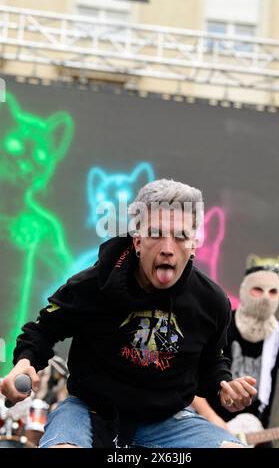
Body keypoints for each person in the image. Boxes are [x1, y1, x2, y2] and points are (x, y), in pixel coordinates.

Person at [0, 179, 257, 448]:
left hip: (168, 422)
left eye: (180, 236)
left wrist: (223, 386)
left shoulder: (212, 302)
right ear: (137, 240)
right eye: (156, 234)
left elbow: (211, 365)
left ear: (194, 244)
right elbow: (42, 332)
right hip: (89, 411)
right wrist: (25, 361)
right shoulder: (92, 285)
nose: (168, 248)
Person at [192, 264, 279, 446]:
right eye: (258, 289)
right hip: (209, 428)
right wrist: (214, 421)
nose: (266, 297)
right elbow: (188, 383)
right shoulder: (220, 325)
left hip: (257, 436)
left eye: (273, 291)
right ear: (244, 291)